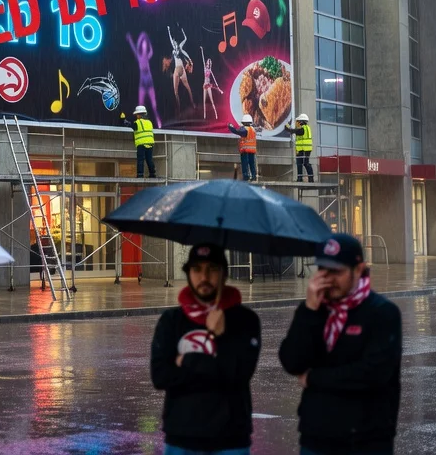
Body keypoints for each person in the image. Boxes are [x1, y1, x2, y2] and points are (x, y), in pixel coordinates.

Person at [278, 234, 402, 455]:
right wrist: (309, 311)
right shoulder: (314, 309)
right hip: (317, 436)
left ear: (359, 269)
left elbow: (372, 374)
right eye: (323, 270)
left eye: (337, 271)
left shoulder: (382, 313)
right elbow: (292, 362)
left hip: (365, 438)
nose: (328, 279)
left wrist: (314, 378)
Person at [150, 244, 261, 455]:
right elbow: (160, 376)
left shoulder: (245, 320)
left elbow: (239, 374)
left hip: (231, 438)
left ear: (224, 274)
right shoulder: (171, 321)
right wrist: (216, 367)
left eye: (212, 269)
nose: (204, 276)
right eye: (197, 269)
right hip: (181, 437)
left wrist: (187, 360)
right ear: (188, 274)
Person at [122, 105, 158, 178]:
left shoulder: (137, 123)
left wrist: (123, 119)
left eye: (136, 114)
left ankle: (140, 174)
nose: (136, 116)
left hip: (141, 144)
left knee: (140, 159)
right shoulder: (149, 122)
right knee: (149, 159)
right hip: (150, 143)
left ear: (139, 115)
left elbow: (129, 124)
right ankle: (152, 174)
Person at [283, 114, 315, 182]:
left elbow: (291, 130)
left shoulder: (302, 129)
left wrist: (287, 126)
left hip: (305, 149)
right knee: (299, 163)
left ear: (301, 122)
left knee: (305, 163)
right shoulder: (306, 128)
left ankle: (309, 179)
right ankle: (301, 178)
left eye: (298, 121)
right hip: (301, 149)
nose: (297, 122)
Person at [227, 115, 259, 182]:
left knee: (245, 164)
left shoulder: (245, 129)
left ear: (243, 122)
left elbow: (237, 132)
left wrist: (230, 127)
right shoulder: (252, 129)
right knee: (252, 164)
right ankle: (253, 176)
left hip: (245, 150)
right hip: (252, 150)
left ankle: (246, 177)